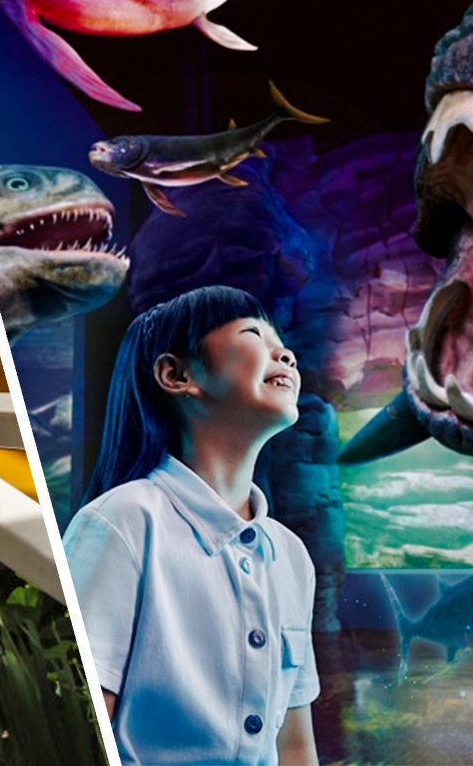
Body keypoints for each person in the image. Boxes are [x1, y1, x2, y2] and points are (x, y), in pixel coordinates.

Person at [63, 285, 320, 765]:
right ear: (176, 375)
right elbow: (81, 729)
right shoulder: (123, 523)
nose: (284, 351)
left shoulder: (291, 556)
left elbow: (295, 746)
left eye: (280, 340)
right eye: (253, 334)